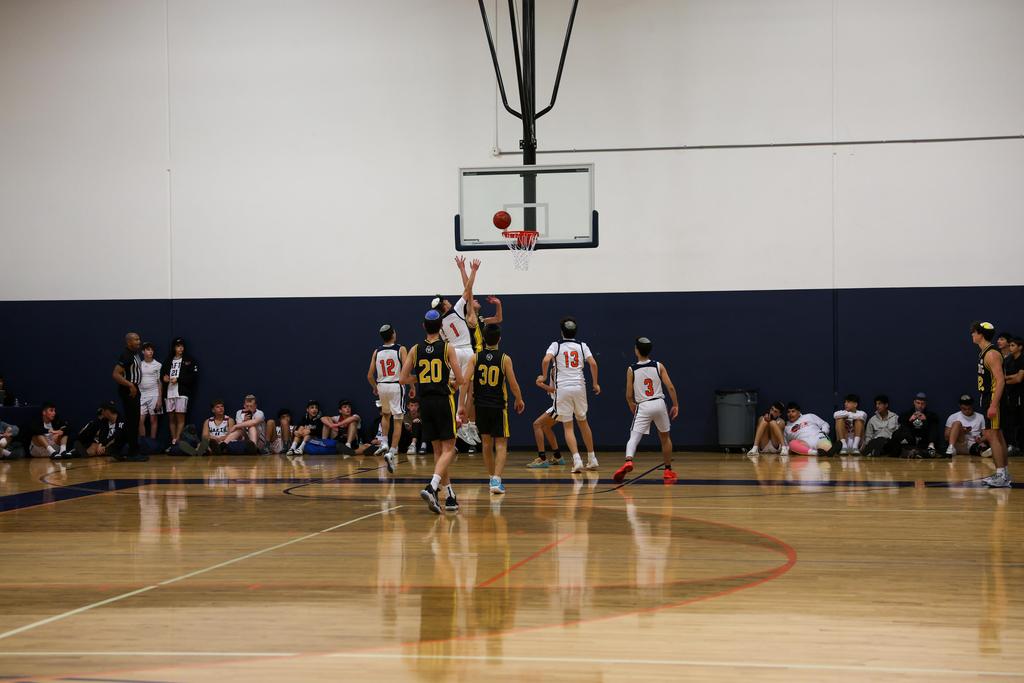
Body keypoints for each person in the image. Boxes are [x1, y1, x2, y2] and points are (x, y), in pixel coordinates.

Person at [400, 310, 466, 514]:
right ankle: (432, 486)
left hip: (425, 403)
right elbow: (460, 379)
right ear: (441, 327)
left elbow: (403, 378)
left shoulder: (415, 349)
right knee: (449, 449)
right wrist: (453, 384)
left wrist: (420, 379)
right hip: (443, 400)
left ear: (423, 326)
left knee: (438, 451)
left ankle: (450, 496)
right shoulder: (447, 348)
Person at [463, 323, 525, 495]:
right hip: (498, 406)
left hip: (481, 406)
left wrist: (463, 405)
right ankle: (497, 479)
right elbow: (513, 384)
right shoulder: (505, 359)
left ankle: (492, 478)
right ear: (499, 339)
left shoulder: (475, 358)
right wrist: (519, 399)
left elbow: (466, 381)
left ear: (483, 339)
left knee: (486, 443)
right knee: (501, 444)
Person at [612, 336, 680, 484]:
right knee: (665, 438)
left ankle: (628, 460)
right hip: (659, 404)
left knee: (634, 437)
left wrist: (631, 404)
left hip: (643, 405)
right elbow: (670, 387)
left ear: (636, 350)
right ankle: (668, 470)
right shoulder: (658, 366)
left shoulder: (632, 369)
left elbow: (628, 394)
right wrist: (675, 404)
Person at [539, 317, 601, 473]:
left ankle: (577, 460)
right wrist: (595, 383)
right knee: (583, 422)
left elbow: (546, 360)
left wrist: (544, 376)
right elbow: (593, 363)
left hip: (563, 388)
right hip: (580, 387)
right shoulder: (582, 345)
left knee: (568, 426)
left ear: (561, 331)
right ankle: (592, 458)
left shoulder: (556, 345)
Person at [433, 256, 481, 445]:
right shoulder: (457, 310)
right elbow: (468, 290)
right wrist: (471, 270)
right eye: (446, 300)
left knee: (452, 387)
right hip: (467, 352)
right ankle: (464, 423)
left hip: (452, 353)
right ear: (445, 305)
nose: (448, 301)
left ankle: (457, 421)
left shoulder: (439, 324)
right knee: (467, 389)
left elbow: (444, 340)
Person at [971, 321, 1011, 487]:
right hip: (987, 396)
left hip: (994, 397)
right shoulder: (984, 352)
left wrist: (993, 405)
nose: (972, 335)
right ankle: (1004, 473)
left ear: (981, 334)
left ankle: (1001, 475)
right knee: (997, 435)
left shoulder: (991, 354)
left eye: (974, 332)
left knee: (992, 435)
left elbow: (1000, 381)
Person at [367, 323, 408, 472]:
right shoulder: (401, 349)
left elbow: (369, 375)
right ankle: (392, 450)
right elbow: (406, 370)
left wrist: (375, 387)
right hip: (396, 385)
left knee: (385, 415)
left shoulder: (377, 351)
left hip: (382, 386)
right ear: (393, 334)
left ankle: (384, 442)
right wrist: (412, 387)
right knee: (398, 420)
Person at [112, 331, 147, 461]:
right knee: (132, 422)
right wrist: (130, 385)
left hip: (134, 388)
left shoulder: (135, 353)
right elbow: (116, 374)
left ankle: (116, 449)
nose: (139, 341)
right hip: (128, 390)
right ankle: (132, 452)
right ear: (129, 342)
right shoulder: (126, 355)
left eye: (139, 339)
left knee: (132, 422)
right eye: (136, 340)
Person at [162, 337, 199, 449]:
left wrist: (178, 379)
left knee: (180, 418)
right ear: (174, 347)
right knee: (171, 418)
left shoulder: (189, 360)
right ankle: (173, 440)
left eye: (182, 346)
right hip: (169, 392)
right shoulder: (168, 360)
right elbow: (162, 375)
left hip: (182, 392)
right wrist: (164, 378)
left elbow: (193, 376)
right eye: (178, 346)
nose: (180, 348)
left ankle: (177, 442)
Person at [526, 372, 564, 468]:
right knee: (546, 426)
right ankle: (557, 456)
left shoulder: (558, 369)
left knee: (537, 424)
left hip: (561, 404)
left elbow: (558, 390)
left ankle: (542, 458)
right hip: (563, 403)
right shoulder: (556, 368)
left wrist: (541, 384)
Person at [894, 392, 941, 457]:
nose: (920, 406)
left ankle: (930, 446)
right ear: (914, 402)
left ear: (925, 404)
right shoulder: (906, 414)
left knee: (933, 425)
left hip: (924, 442)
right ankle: (916, 453)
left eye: (922, 403)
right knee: (901, 428)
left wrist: (925, 419)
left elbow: (935, 422)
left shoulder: (931, 415)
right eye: (918, 403)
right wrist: (910, 420)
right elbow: (900, 421)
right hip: (910, 441)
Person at [1002, 336, 1023, 455]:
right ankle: (1012, 445)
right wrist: (1010, 377)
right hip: (1011, 395)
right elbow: (1011, 376)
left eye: (1013, 345)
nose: (1010, 347)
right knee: (1011, 421)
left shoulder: (1022, 359)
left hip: (1020, 394)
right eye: (1010, 345)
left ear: (1020, 347)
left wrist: (1004, 381)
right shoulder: (1009, 360)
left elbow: (1019, 379)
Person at [138, 342, 163, 439]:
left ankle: (152, 443)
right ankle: (143, 442)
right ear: (143, 351)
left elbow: (160, 382)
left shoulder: (158, 365)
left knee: (153, 420)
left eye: (152, 350)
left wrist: (159, 399)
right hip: (141, 395)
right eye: (148, 349)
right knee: (140, 420)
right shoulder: (139, 365)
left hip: (154, 395)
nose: (151, 351)